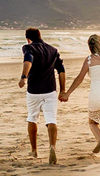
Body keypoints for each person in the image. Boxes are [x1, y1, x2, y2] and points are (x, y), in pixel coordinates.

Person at [18, 27, 66, 164]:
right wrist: (63, 90)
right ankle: (52, 147)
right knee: (51, 119)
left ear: (28, 38)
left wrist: (23, 77)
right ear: (40, 35)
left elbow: (28, 60)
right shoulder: (53, 50)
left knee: (32, 118)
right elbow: (61, 70)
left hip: (33, 91)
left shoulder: (29, 48)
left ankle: (34, 151)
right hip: (50, 91)